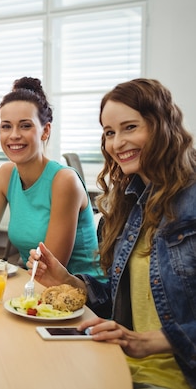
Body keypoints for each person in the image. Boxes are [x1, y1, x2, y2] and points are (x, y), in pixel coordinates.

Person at [29, 78, 196, 388]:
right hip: (119, 363)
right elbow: (119, 301)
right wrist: (67, 281)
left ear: (162, 126)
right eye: (109, 132)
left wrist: (150, 342)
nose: (117, 143)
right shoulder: (127, 205)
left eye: (130, 127)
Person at [0, 77, 103, 278]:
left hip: (78, 294)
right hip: (34, 285)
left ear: (45, 131)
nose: (13, 135)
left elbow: (49, 271)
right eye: (6, 126)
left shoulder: (64, 181)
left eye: (25, 126)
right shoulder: (5, 174)